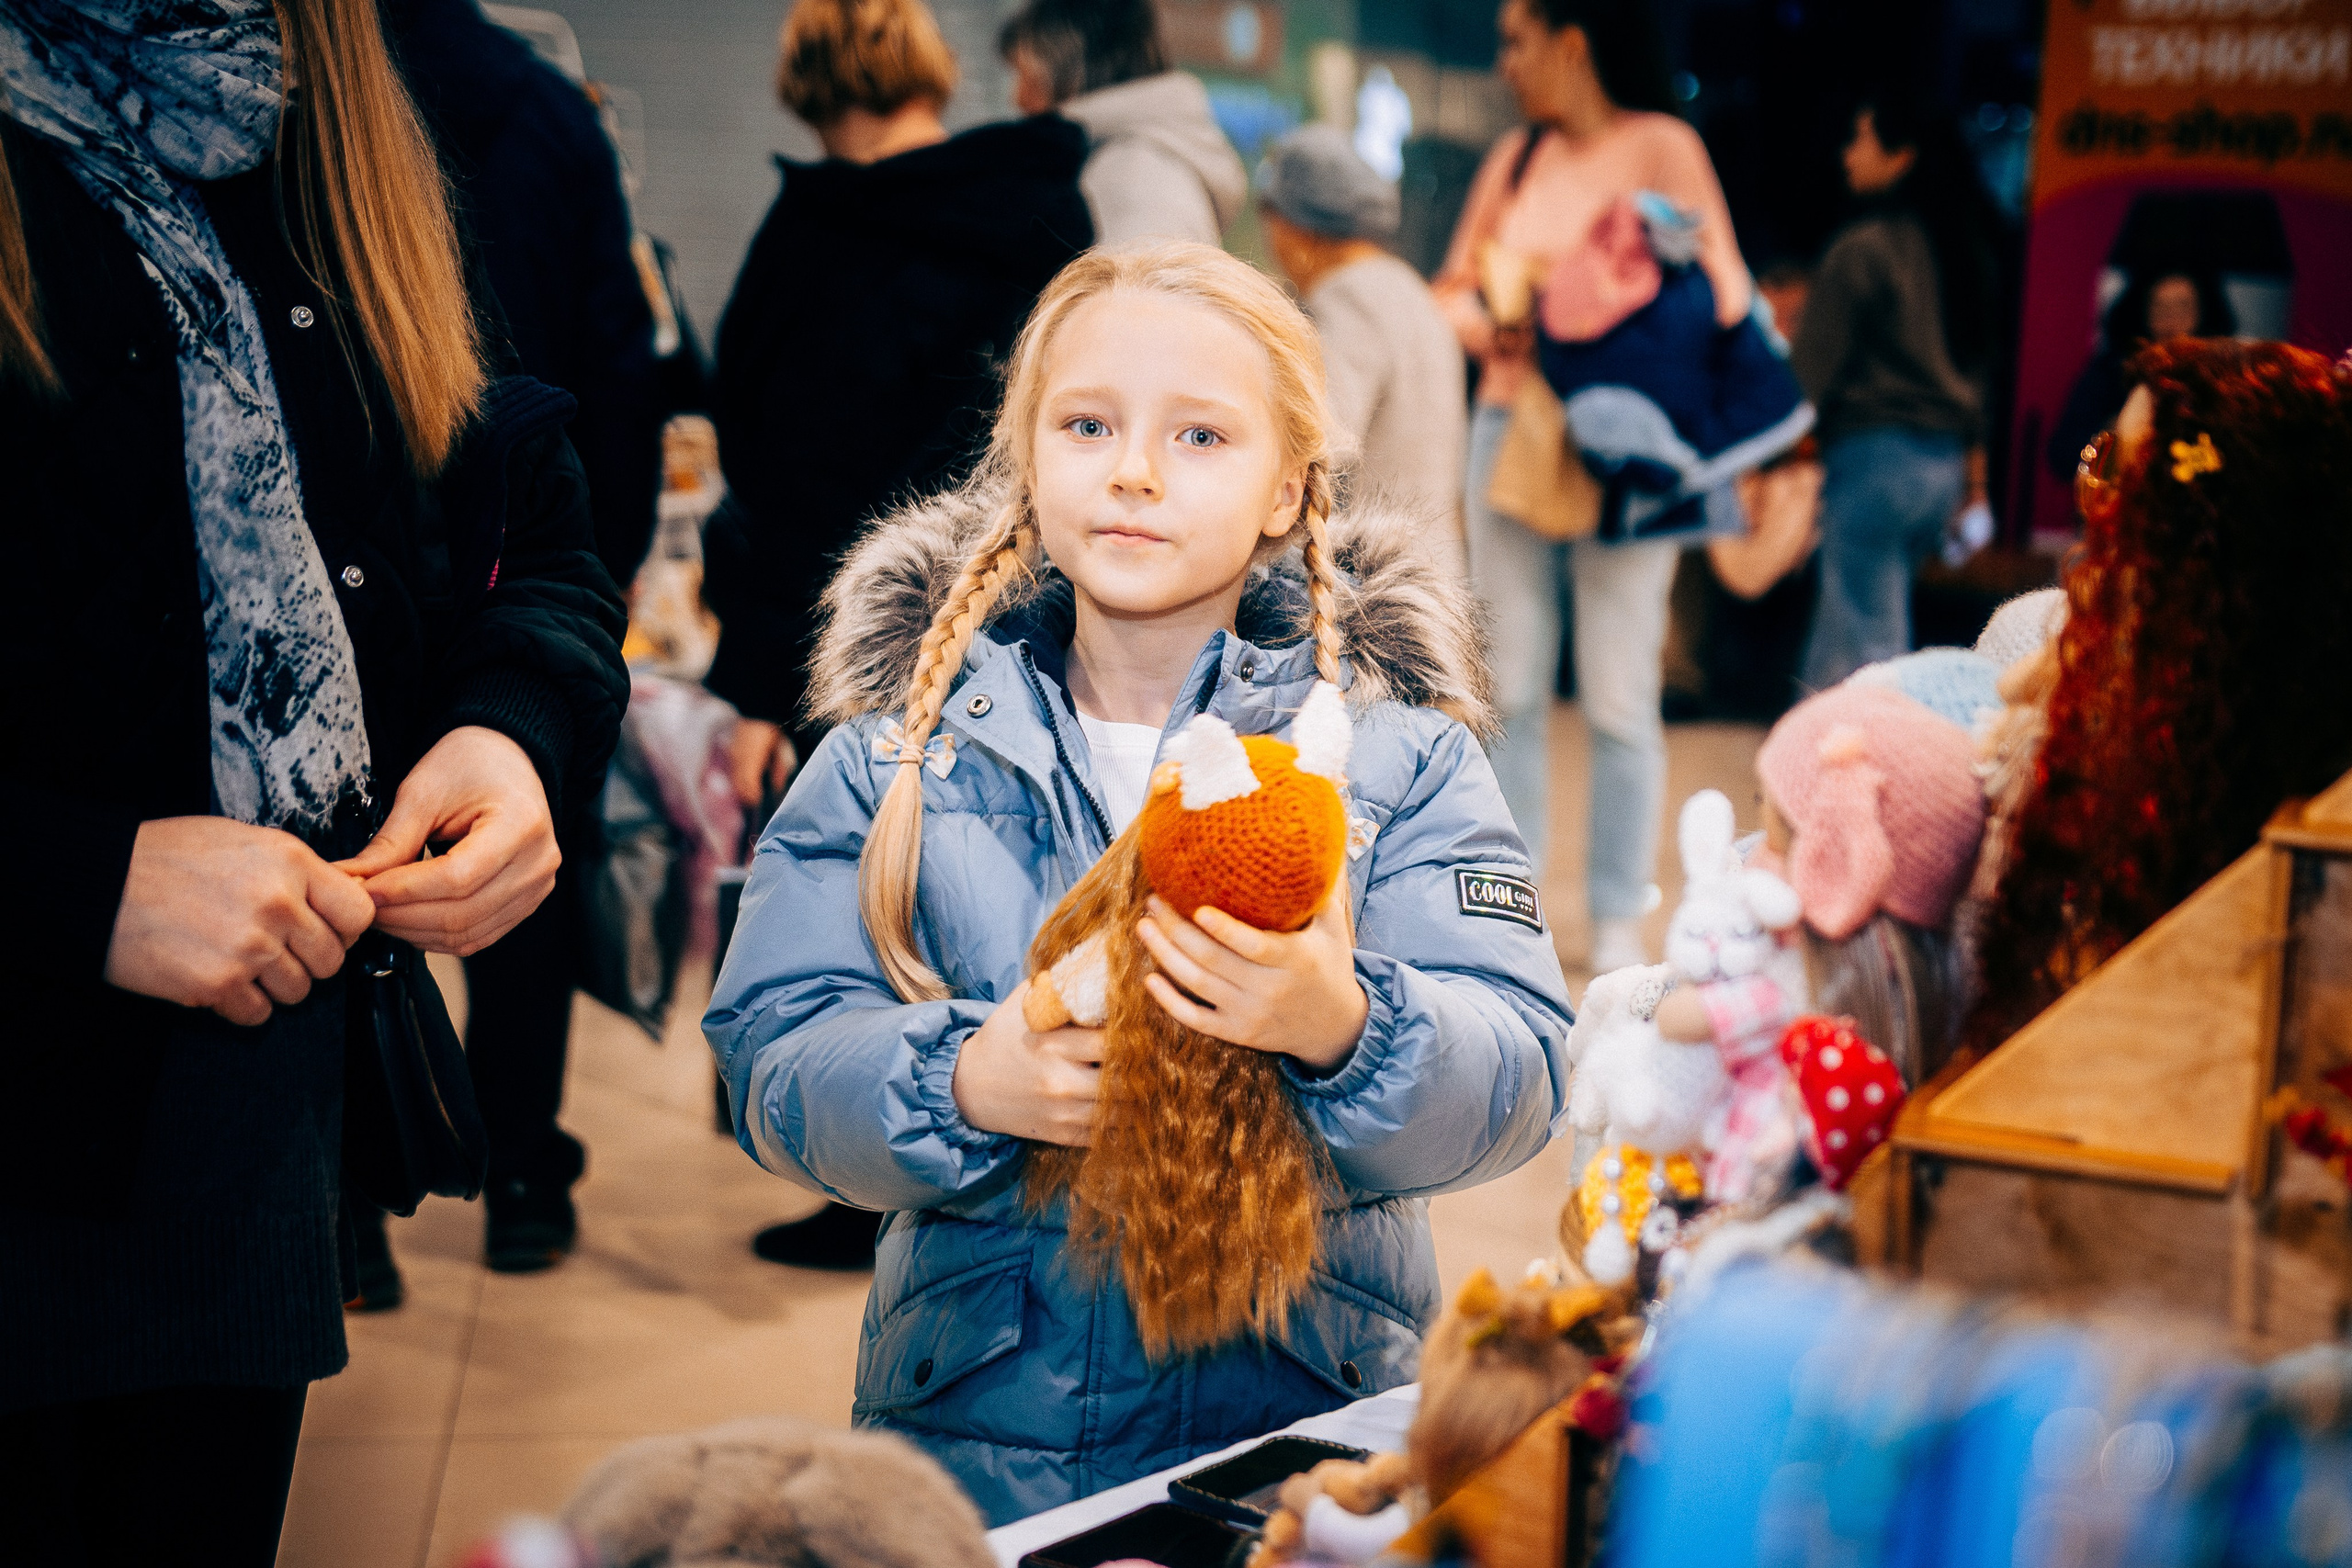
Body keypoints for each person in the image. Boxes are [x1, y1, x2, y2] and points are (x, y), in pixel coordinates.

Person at [704, 243, 1574, 1524]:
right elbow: (772, 1057)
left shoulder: (1398, 760)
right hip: (983, 1456)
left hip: (1285, 1449)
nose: (1133, 472)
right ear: (1027, 456)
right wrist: (962, 1079)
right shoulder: (898, 758)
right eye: (1088, 424)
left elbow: (1522, 1073)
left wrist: (1344, 1026)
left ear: (1286, 490)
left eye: (1200, 435)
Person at [0, 0, 628, 1560]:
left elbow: (530, 532)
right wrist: (81, 881)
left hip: (240, 1148)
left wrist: (506, 727)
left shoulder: (332, 143)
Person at [703, 0, 1091, 1269]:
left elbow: (768, 470)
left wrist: (756, 677)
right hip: (1013, 624)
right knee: (976, 897)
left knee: (844, 902)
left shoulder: (813, 233)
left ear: (808, 77)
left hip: (835, 633)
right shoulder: (1038, 210)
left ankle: (867, 1168)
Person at [376, 0, 668, 1292]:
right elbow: (621, 359)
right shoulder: (554, 113)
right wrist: (604, 558)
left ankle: (352, 1218)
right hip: (523, 542)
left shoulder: (307, 92)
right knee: (519, 865)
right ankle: (523, 1182)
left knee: (337, 860)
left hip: (351, 546)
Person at [1432, 0, 1753, 973]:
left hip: (1629, 448)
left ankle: (1618, 916)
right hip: (1513, 429)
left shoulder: (1663, 148)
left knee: (1620, 693)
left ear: (1572, 43)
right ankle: (1513, 908)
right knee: (1511, 685)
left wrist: (1609, 299)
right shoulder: (1515, 158)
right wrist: (1494, 320)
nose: (1505, 63)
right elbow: (1449, 290)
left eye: (1516, 41)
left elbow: (1727, 294)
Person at [1970, 340, 2352, 1051]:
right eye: (2100, 462)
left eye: (2128, 477)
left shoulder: (2309, 820)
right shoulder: (2063, 647)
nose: (2101, 505)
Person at [1790, 93, 2006, 692]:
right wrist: (1976, 480)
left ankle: (1861, 746)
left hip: (1873, 460)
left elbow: (1808, 374)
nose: (1848, 153)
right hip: (1942, 467)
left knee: (1862, 638)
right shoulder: (1963, 252)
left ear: (1902, 155)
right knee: (1877, 617)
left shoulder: (1863, 249)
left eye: (1860, 138)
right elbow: (1981, 374)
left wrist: (1767, 447)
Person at [1257, 122, 1466, 558]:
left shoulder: (1348, 298)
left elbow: (1322, 439)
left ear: (1297, 228)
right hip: (1428, 561)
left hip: (1375, 570)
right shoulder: (1409, 289)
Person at [999, 0, 1246, 248]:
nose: (1018, 98)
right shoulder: (1140, 156)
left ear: (1072, 77)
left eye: (1028, 77)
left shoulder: (1136, 175)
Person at [2043, 266, 2233, 481]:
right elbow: (2063, 456)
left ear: (2204, 313)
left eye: (2183, 308)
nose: (2172, 323)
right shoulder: (2112, 373)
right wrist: (2115, 431)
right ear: (2144, 314)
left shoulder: (2222, 381)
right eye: (2161, 309)